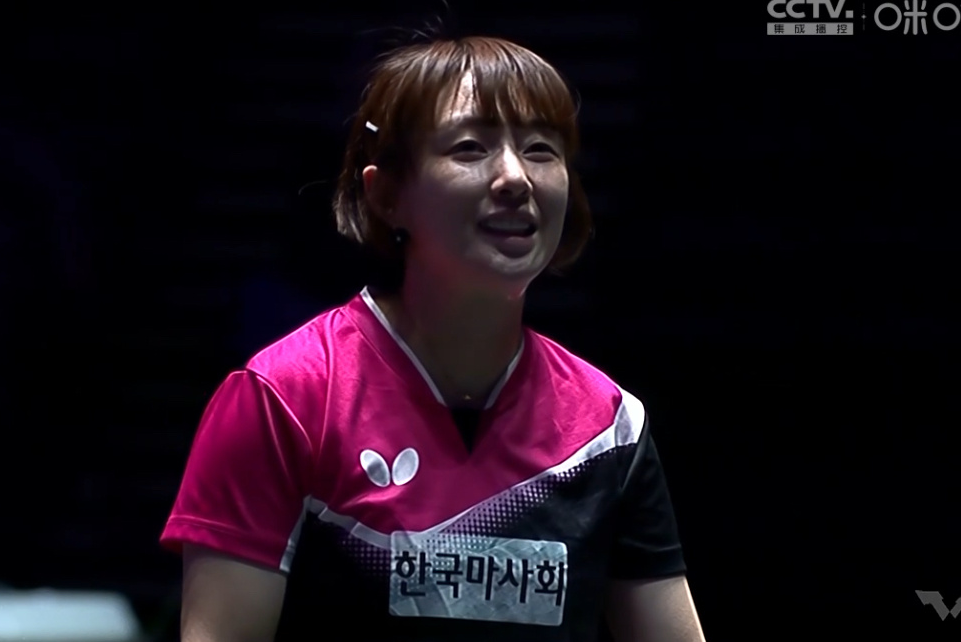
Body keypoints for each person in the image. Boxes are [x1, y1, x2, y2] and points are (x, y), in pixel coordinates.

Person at [161, 34, 706, 642]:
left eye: (540, 150)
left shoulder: (606, 430)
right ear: (387, 195)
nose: (515, 178)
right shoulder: (284, 400)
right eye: (470, 148)